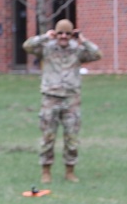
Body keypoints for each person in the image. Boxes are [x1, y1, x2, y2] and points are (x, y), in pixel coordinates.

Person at [22, 19, 102, 183]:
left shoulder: (77, 51)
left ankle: (70, 171)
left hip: (71, 99)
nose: (63, 36)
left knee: (71, 138)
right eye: (60, 33)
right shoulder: (47, 49)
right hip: (50, 98)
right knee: (48, 137)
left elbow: (97, 54)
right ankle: (46, 171)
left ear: (72, 34)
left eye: (67, 33)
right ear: (55, 34)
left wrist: (83, 40)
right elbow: (27, 46)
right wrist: (45, 36)